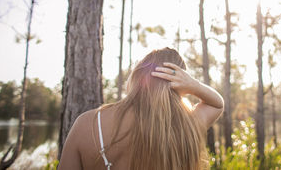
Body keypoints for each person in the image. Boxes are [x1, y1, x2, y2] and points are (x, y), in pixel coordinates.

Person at [58, 47, 224, 170]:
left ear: (137, 76)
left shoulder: (87, 124)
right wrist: (193, 85)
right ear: (179, 85)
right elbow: (217, 104)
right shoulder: (188, 125)